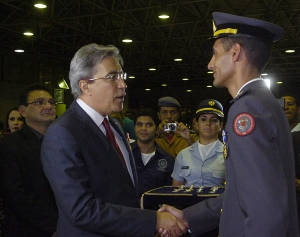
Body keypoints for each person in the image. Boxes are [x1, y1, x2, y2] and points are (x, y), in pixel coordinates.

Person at [159, 12, 299, 237]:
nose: (209, 64)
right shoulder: (265, 102)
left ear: (235, 53)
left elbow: (265, 210)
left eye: (215, 54)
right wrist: (189, 217)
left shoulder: (247, 110)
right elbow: (243, 192)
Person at [40, 43, 187, 237]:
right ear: (86, 85)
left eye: (122, 76)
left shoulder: (114, 125)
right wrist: (153, 220)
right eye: (112, 77)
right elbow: (81, 210)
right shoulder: (63, 134)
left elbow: (122, 193)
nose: (123, 84)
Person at [0, 84, 58, 237]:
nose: (48, 106)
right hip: (29, 229)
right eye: (39, 102)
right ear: (23, 111)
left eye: (51, 102)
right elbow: (15, 194)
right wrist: (53, 226)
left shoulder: (61, 142)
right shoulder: (10, 145)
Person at [172, 99, 225, 187]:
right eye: (203, 119)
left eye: (214, 120)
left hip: (217, 200)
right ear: (196, 124)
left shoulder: (228, 154)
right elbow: (176, 189)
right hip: (189, 200)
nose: (208, 123)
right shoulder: (183, 154)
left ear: (220, 125)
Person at [131, 108, 174, 198]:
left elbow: (170, 195)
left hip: (155, 211)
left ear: (157, 129)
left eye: (149, 125)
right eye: (139, 124)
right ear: (134, 128)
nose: (143, 129)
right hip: (127, 210)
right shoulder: (124, 154)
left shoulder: (168, 160)